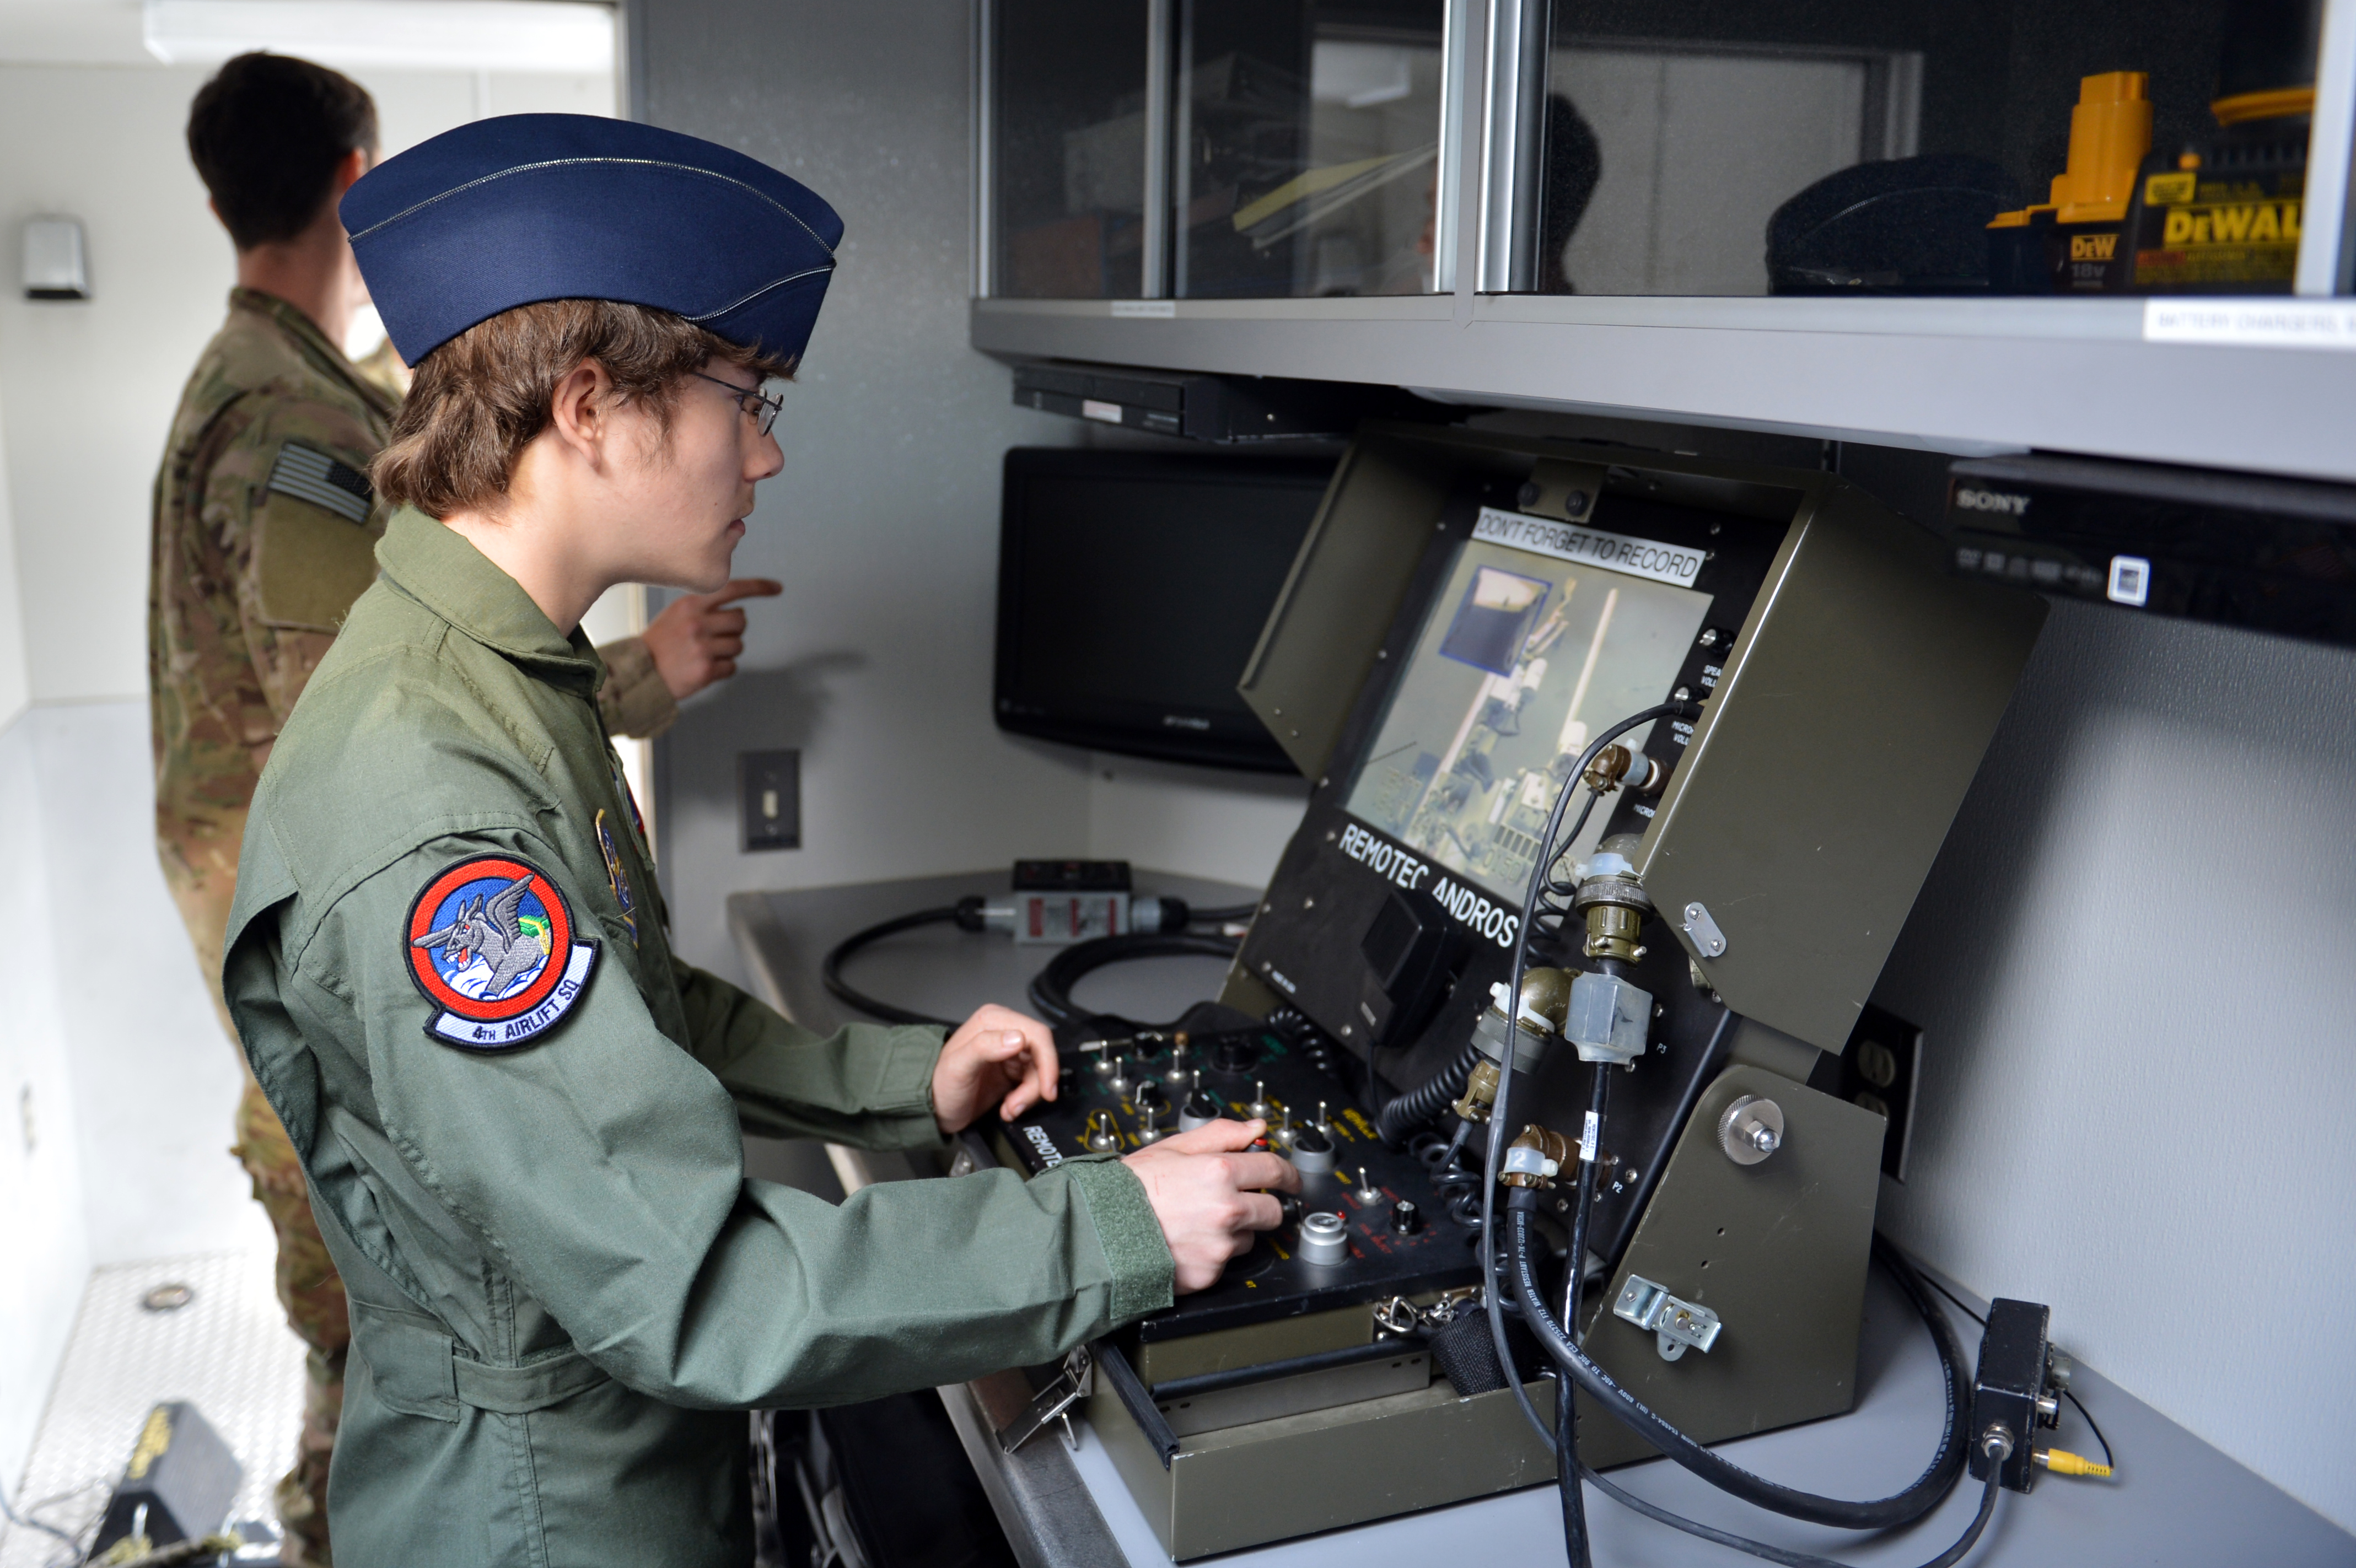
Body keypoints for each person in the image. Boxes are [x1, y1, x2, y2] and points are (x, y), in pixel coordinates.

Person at [220, 112, 1295, 1567]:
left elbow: (625, 1008)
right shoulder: (435, 805)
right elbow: (695, 1292)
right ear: (592, 409)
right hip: (550, 1515)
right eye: (750, 398)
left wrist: (900, 1077)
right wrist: (1109, 1230)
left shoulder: (486, 675)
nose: (766, 456)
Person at [148, 55, 778, 1565]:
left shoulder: (245, 386)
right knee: (393, 1358)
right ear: (353, 181)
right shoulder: (296, 417)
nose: (760, 453)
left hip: (289, 932)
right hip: (349, 983)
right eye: (743, 408)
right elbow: (371, 726)